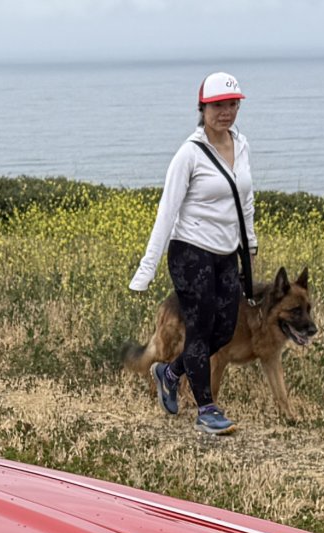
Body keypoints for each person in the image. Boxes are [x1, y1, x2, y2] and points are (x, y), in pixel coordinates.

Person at [129, 71, 256, 435]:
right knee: (199, 329)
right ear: (203, 108)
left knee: (224, 329)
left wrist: (251, 243)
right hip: (190, 252)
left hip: (226, 253)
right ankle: (206, 410)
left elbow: (245, 199)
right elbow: (166, 211)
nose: (226, 112)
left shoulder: (242, 145)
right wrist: (146, 268)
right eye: (218, 106)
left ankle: (168, 373)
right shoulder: (189, 153)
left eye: (232, 105)